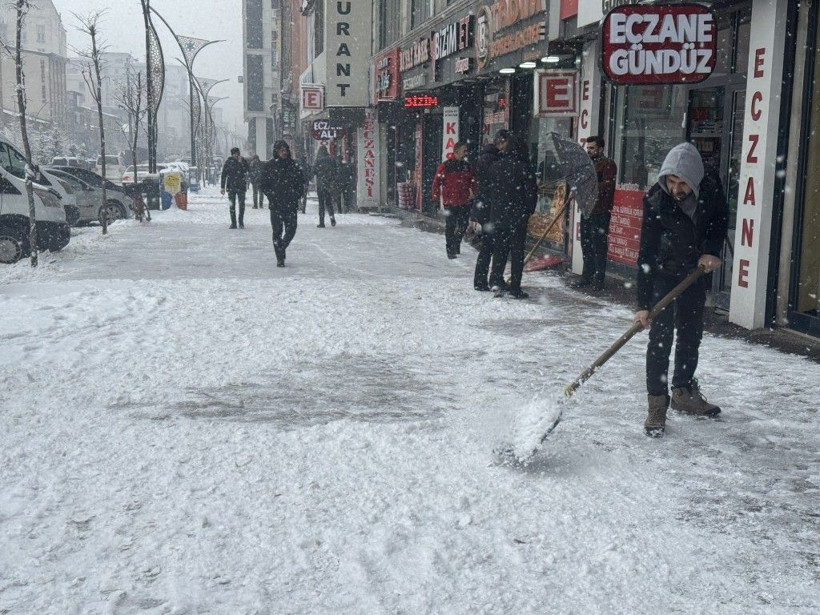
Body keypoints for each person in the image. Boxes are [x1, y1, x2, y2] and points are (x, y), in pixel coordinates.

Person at [635, 142, 728, 437]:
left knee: (690, 335)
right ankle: (657, 404)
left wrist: (711, 249)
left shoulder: (710, 189)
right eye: (671, 181)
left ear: (695, 179)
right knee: (660, 339)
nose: (676, 188)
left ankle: (683, 392)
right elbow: (645, 253)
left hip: (695, 273)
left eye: (682, 182)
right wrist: (642, 304)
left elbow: (719, 219)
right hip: (664, 273)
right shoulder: (655, 200)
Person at [485, 135, 538, 298]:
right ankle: (515, 286)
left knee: (500, 249)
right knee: (517, 252)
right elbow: (531, 193)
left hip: (499, 215)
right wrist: (528, 210)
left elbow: (489, 191)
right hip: (517, 216)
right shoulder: (524, 168)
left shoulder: (495, 166)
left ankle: (495, 280)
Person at [574, 136, 617, 291]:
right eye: (588, 148)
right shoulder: (586, 165)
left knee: (599, 245)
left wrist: (590, 186)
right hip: (587, 209)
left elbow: (608, 185)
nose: (589, 150)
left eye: (592, 148)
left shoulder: (608, 164)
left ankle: (599, 279)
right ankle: (587, 276)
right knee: (586, 244)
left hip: (600, 210)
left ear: (600, 148)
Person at [472, 130, 510, 291]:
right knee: (491, 246)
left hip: (486, 207)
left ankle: (482, 280)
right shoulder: (492, 160)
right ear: (501, 142)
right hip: (490, 208)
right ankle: (486, 280)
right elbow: (493, 185)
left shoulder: (487, 157)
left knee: (489, 246)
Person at [260, 140, 304, 267]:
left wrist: (296, 195)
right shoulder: (270, 166)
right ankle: (280, 258)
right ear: (276, 151)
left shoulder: (293, 165)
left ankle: (282, 247)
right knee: (277, 232)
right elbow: (263, 185)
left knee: (291, 230)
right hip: (276, 205)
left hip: (291, 204)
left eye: (285, 150)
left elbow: (301, 183)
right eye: (281, 150)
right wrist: (272, 195)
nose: (284, 152)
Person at [431, 141, 477, 259]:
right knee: (450, 226)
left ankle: (456, 244)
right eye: (464, 151)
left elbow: (473, 181)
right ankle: (450, 249)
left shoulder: (467, 166)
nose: (466, 153)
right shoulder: (445, 166)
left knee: (463, 225)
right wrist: (435, 196)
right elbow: (437, 182)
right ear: (456, 152)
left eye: (466, 151)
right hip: (450, 201)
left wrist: (476, 194)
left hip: (464, 201)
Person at [220, 147, 249, 229]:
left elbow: (247, 170)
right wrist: (222, 187)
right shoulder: (228, 162)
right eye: (235, 153)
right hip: (231, 186)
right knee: (232, 205)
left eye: (238, 153)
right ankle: (233, 223)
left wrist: (241, 163)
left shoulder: (243, 161)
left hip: (241, 186)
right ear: (232, 154)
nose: (237, 155)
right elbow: (224, 175)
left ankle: (241, 222)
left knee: (242, 205)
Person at [313, 145, 338, 227]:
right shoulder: (331, 160)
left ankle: (322, 222)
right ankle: (332, 218)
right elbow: (335, 171)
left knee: (321, 204)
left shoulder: (318, 161)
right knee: (329, 202)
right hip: (328, 184)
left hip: (320, 184)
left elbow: (314, 171)